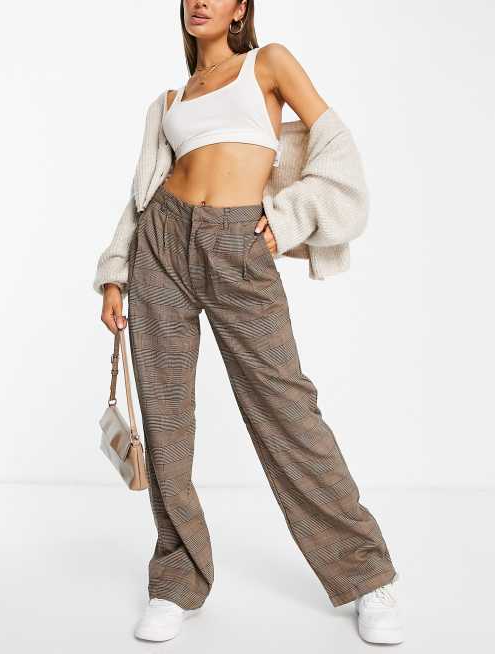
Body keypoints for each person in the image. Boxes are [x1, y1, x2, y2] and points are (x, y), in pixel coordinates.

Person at [94, 0, 404, 645]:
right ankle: (176, 580)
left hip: (238, 243)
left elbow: (339, 154)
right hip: (161, 244)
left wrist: (285, 222)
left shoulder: (268, 63)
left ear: (241, 7)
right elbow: (141, 194)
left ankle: (366, 576)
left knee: (287, 410)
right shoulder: (170, 100)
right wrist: (116, 272)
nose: (199, 1)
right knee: (165, 418)